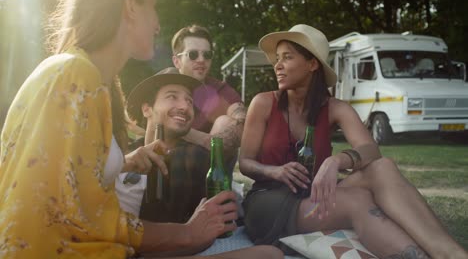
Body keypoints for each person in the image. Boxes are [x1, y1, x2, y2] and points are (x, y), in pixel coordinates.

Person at [0, 0, 283, 258]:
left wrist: (121, 163)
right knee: (269, 255)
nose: (158, 23)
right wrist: (187, 233)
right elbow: (78, 218)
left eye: (188, 100)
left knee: (268, 255)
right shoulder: (75, 75)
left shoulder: (87, 77)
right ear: (131, 5)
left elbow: (64, 181)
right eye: (154, 7)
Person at [239, 24, 468, 259]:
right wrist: (274, 171)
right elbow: (245, 162)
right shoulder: (263, 103)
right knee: (358, 201)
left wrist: (337, 160)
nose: (277, 65)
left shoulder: (334, 108)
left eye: (287, 57)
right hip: (269, 201)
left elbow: (370, 150)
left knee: (383, 167)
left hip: (313, 194)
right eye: (277, 58)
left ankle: (450, 253)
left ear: (312, 64)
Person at [115, 67, 210, 224]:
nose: (185, 107)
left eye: (189, 101)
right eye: (172, 97)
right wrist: (123, 164)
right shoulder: (123, 154)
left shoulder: (198, 158)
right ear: (147, 109)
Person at [166, 25, 246, 173]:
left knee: (225, 122)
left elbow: (242, 124)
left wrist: (186, 133)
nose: (201, 60)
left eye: (207, 55)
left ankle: (211, 189)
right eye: (193, 54)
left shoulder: (220, 90)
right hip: (168, 166)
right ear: (177, 61)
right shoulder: (163, 86)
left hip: (207, 169)